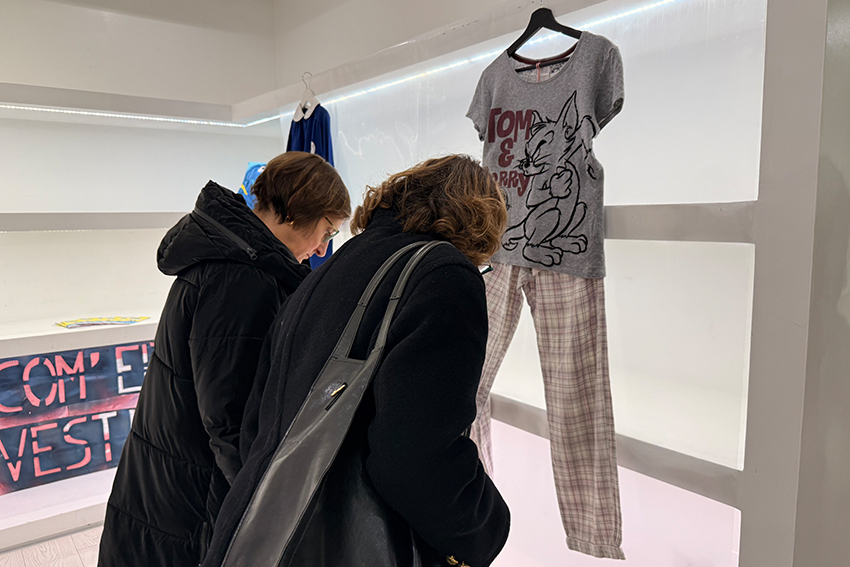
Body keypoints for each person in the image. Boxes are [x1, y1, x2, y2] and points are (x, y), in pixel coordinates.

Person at [203, 155, 511, 567]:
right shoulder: (444, 276)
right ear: (479, 223)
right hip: (343, 544)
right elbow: (414, 456)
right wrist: (484, 529)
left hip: (257, 528)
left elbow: (257, 418)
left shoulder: (330, 267)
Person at [97, 152, 351, 567]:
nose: (323, 248)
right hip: (192, 497)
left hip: (174, 478)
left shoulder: (232, 259)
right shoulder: (242, 278)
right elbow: (229, 417)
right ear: (293, 213)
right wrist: (261, 505)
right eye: (326, 231)